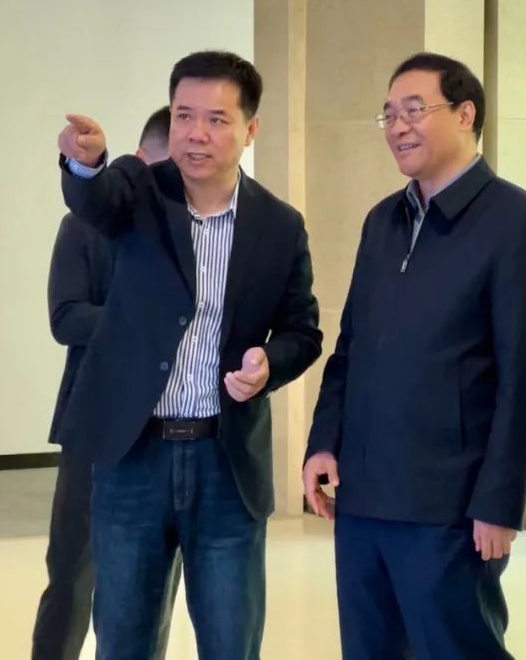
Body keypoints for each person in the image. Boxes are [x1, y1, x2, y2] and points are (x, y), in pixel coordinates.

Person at [56, 50, 322, 660]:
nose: (196, 133)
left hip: (226, 462)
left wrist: (269, 365)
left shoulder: (279, 225)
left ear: (250, 130)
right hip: (134, 455)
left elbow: (302, 330)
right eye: (183, 116)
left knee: (230, 641)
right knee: (124, 638)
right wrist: (86, 163)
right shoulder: (137, 191)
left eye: (217, 119)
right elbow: (93, 200)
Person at [303, 52, 526, 660]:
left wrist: (500, 502)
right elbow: (350, 346)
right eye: (389, 114)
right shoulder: (383, 221)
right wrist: (324, 441)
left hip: (450, 505)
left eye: (414, 110)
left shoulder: (517, 222)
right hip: (363, 498)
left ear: (466, 115)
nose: (398, 126)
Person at [33, 107, 180, 660]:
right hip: (95, 425)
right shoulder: (84, 226)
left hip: (176, 427)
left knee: (153, 586)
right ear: (139, 161)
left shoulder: (200, 230)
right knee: (72, 573)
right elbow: (66, 318)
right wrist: (149, 322)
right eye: (165, 170)